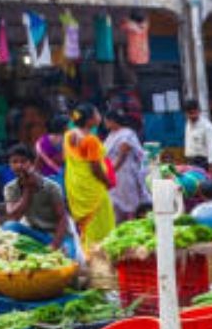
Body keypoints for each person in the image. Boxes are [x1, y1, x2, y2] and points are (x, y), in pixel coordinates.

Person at [2, 144, 75, 257]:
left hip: (57, 236)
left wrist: (55, 245)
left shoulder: (51, 187)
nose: (19, 165)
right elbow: (13, 216)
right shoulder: (10, 188)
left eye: (23, 161)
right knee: (9, 226)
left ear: (32, 164)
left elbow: (62, 218)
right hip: (35, 234)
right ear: (9, 165)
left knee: (68, 257)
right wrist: (28, 190)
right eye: (14, 162)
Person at [63, 104, 115, 250]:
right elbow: (95, 167)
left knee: (87, 226)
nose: (100, 115)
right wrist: (107, 181)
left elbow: (71, 126)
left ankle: (88, 254)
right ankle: (100, 255)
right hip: (94, 189)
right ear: (90, 120)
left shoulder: (69, 136)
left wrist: (74, 128)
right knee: (102, 224)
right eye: (97, 112)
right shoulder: (90, 140)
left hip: (78, 188)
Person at [104, 110, 150, 223]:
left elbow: (122, 155)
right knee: (116, 202)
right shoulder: (111, 135)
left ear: (112, 121)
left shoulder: (127, 133)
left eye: (106, 121)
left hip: (125, 172)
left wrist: (111, 171)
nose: (105, 123)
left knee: (130, 202)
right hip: (115, 174)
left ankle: (133, 223)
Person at [183, 99, 212, 169]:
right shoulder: (187, 124)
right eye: (189, 114)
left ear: (199, 111)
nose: (192, 116)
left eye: (193, 113)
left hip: (203, 162)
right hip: (190, 160)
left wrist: (211, 167)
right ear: (185, 113)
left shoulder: (207, 126)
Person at [35, 115, 67, 186]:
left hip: (46, 178)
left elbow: (38, 163)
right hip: (64, 179)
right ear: (65, 127)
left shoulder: (42, 140)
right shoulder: (68, 140)